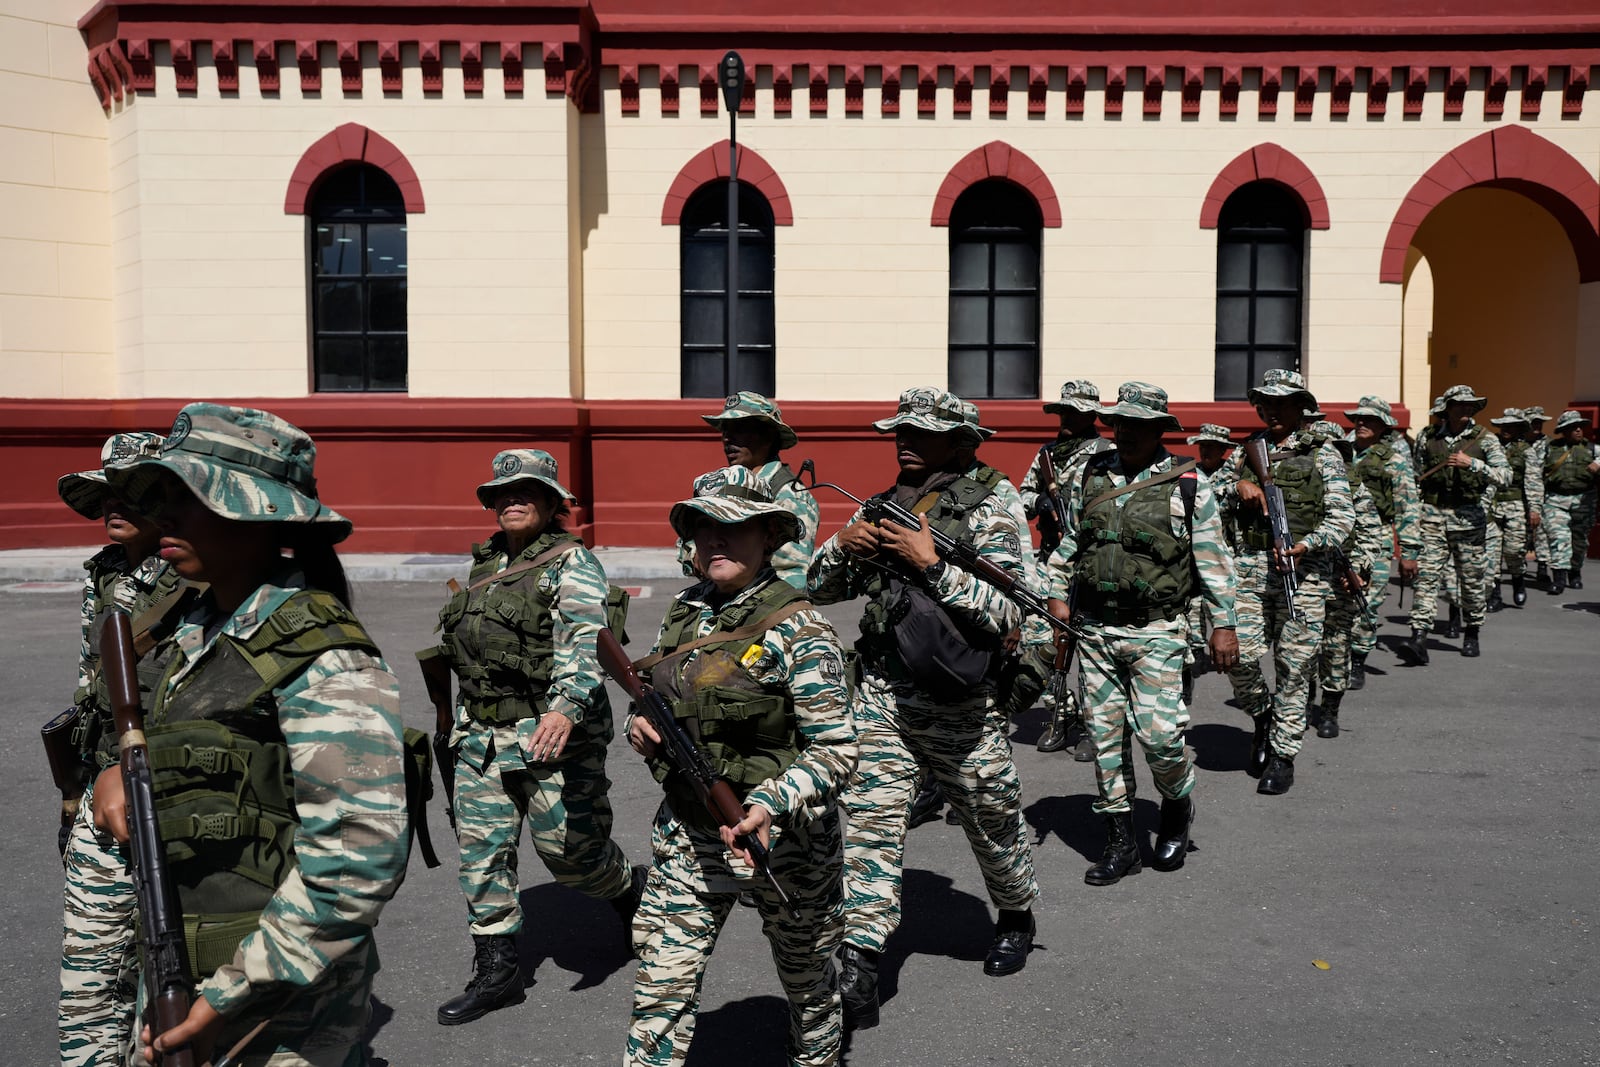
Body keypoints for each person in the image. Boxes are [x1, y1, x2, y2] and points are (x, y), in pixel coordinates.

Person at [91, 402, 410, 1065]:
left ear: (257, 511)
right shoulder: (190, 629)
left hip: (278, 1006)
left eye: (191, 496)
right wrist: (115, 769)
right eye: (165, 495)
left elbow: (355, 859)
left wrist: (223, 999)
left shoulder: (319, 652)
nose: (165, 516)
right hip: (189, 963)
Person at [809, 386, 1041, 1028]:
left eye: (920, 431)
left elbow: (1011, 611)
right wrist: (842, 548)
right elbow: (819, 589)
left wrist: (933, 565)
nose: (902, 440)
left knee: (992, 823)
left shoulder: (995, 503)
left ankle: (1016, 912)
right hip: (886, 693)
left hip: (963, 702)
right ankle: (861, 963)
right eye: (898, 430)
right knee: (869, 826)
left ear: (961, 440)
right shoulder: (888, 503)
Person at [625, 466, 857, 1067]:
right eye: (704, 530)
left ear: (767, 539)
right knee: (660, 987)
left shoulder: (801, 628)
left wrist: (770, 803)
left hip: (786, 842)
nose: (715, 543)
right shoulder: (685, 609)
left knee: (808, 984)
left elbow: (837, 750)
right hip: (690, 831)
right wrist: (640, 725)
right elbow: (656, 694)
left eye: (731, 530)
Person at [426, 448, 644, 1026]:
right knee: (481, 852)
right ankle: (498, 970)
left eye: (526, 491)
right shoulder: (485, 564)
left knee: (573, 858)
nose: (512, 500)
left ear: (552, 503)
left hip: (550, 731)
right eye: (502, 493)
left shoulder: (571, 564)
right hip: (480, 735)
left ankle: (627, 891)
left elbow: (582, 638)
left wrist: (567, 707)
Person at [1044, 383, 1238, 884]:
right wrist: (1057, 591)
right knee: (1106, 741)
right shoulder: (1091, 473)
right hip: (1095, 631)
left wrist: (1224, 626)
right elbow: (1073, 538)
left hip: (1158, 630)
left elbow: (1213, 562)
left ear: (1159, 431)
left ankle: (1176, 808)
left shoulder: (1189, 483)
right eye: (1120, 424)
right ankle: (1121, 842)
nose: (1126, 433)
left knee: (1160, 738)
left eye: (1139, 426)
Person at [56, 431, 186, 1067]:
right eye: (106, 493)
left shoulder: (189, 574)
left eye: (130, 494)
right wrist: (71, 792)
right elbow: (90, 688)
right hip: (100, 782)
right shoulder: (105, 570)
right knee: (89, 976)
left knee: (162, 964)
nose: (113, 505)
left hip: (161, 788)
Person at [1219, 369, 1353, 796]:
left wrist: (1308, 544)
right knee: (1237, 656)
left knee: (1294, 670)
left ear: (1301, 408)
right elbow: (1207, 501)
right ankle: (1262, 715)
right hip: (1250, 568)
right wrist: (1238, 484)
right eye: (1267, 402)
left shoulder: (1323, 454)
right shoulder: (1244, 452)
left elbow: (1343, 517)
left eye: (1283, 403)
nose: (1273, 409)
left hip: (1305, 576)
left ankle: (1282, 754)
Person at [1016, 380, 1113, 754]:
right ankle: (1060, 712)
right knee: (1039, 642)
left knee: (1089, 647)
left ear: (1091, 416)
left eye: (1074, 412)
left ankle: (1093, 728)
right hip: (1051, 561)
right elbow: (1021, 497)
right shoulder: (1049, 453)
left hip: (1092, 560)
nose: (1066, 418)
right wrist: (1039, 500)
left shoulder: (1107, 453)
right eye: (1063, 411)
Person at [1403, 385, 1510, 659]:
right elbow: (1417, 479)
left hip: (1469, 519)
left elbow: (1505, 476)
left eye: (1470, 405)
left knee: (1472, 581)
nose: (1466, 409)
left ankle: (1472, 630)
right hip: (1432, 518)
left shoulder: (1485, 439)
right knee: (1426, 578)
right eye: (1459, 404)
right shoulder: (1428, 437)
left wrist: (1472, 465)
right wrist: (1412, 517)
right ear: (1447, 408)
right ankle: (1418, 636)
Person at [678, 392, 818, 590]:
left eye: (740, 429)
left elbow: (791, 578)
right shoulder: (727, 485)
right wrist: (695, 554)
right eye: (725, 430)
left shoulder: (790, 497)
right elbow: (686, 541)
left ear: (769, 436)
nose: (728, 438)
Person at [1306, 421, 1386, 738]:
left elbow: (1371, 532)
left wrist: (1359, 566)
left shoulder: (1354, 486)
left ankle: (1329, 709)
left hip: (1340, 577)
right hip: (1306, 574)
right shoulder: (1301, 483)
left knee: (1336, 647)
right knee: (1301, 646)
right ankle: (1300, 703)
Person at [1343, 397, 1421, 688]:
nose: (1361, 424)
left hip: (1376, 539)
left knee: (1368, 603)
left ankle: (1358, 659)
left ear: (1383, 426)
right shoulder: (1339, 454)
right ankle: (1335, 659)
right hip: (1340, 537)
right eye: (1358, 419)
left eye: (1370, 420)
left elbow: (1407, 508)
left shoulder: (1394, 461)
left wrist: (1409, 552)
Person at [1181, 422, 1236, 699]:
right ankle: (1188, 668)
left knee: (1217, 610)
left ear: (1224, 450)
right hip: (1190, 560)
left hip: (1220, 560)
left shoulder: (1234, 476)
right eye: (1203, 446)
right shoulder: (1190, 474)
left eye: (1212, 447)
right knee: (1190, 618)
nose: (1206, 451)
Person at [1536, 411, 1599, 594]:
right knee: (1558, 538)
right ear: (1564, 430)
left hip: (1584, 500)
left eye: (1580, 426)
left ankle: (1575, 572)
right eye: (1573, 427)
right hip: (1556, 499)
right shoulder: (1548, 448)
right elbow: (1534, 471)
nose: (1578, 430)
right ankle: (1559, 578)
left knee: (1579, 541)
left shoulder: (1593, 449)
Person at [1486, 408, 1541, 608]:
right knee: (1491, 552)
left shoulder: (1526, 451)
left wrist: (1534, 509)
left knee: (1514, 550)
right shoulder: (1490, 446)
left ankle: (1518, 580)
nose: (1506, 429)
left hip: (1515, 506)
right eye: (1503, 426)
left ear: (1519, 429)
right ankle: (1495, 594)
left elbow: (1533, 482)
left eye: (1511, 426)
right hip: (1491, 504)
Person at [1523, 406, 1554, 587]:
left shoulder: (1550, 444)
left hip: (1543, 493)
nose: (1537, 426)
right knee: (1521, 532)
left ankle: (1542, 567)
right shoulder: (1517, 442)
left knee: (1542, 531)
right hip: (1520, 493)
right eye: (1533, 422)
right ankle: (1520, 566)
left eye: (1539, 423)